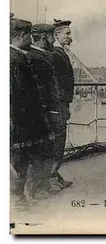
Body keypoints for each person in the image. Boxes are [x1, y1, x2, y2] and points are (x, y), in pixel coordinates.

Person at [10, 18, 52, 202]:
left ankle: (27, 193)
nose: (32, 40)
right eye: (29, 36)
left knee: (29, 155)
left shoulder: (20, 56)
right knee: (20, 158)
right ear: (22, 35)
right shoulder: (12, 59)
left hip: (29, 118)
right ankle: (18, 197)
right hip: (21, 119)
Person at [28, 23, 64, 194]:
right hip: (46, 113)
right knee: (43, 148)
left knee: (47, 147)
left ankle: (43, 185)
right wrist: (52, 111)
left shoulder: (40, 56)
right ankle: (39, 187)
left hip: (49, 111)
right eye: (51, 36)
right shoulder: (36, 58)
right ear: (43, 38)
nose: (53, 40)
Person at [51, 19, 75, 188]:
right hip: (58, 104)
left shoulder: (60, 53)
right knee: (57, 140)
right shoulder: (55, 54)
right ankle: (51, 176)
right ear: (56, 35)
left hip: (62, 103)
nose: (69, 36)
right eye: (66, 33)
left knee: (60, 140)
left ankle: (54, 173)